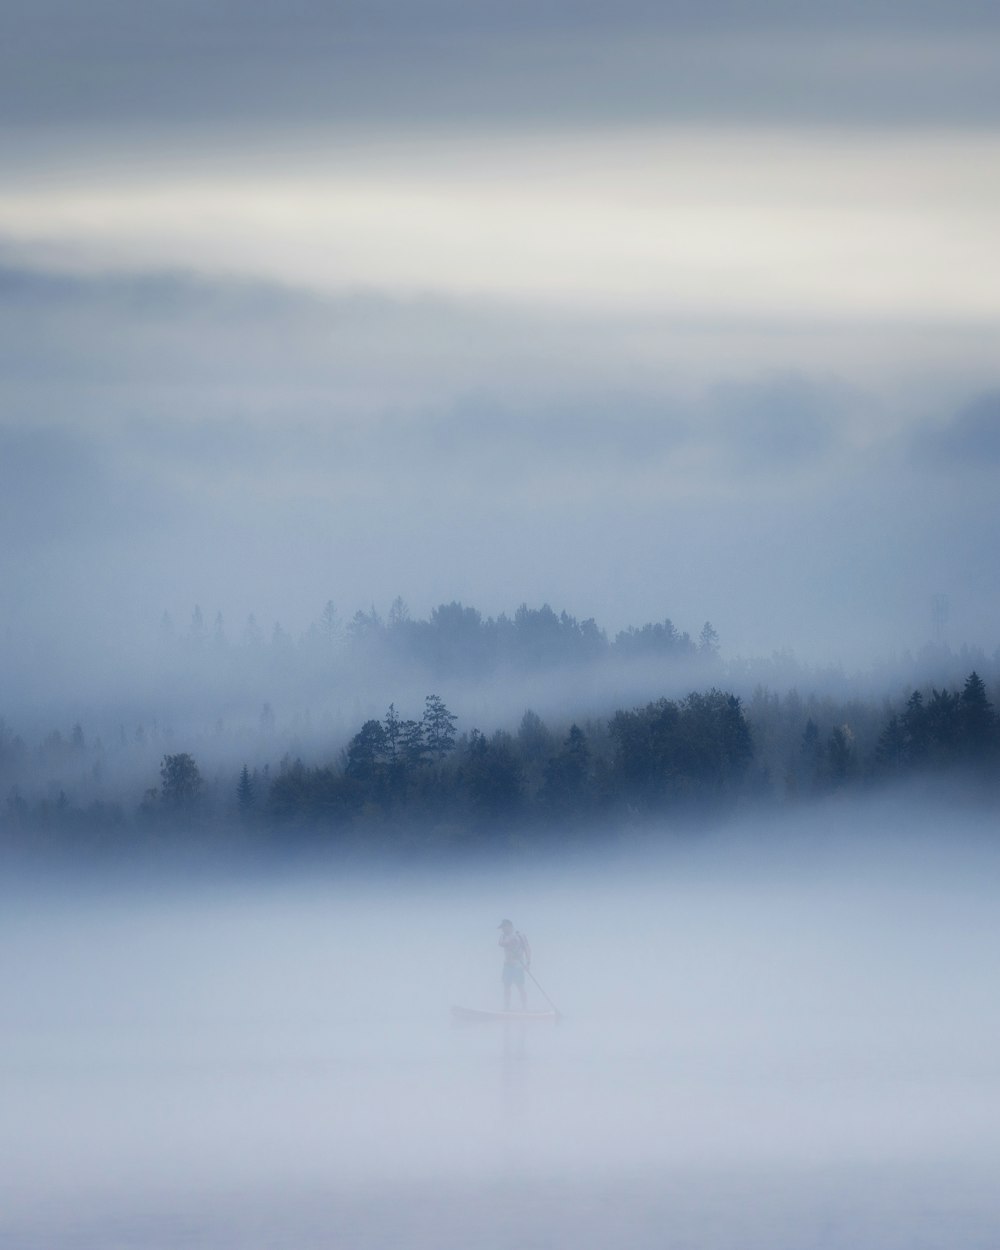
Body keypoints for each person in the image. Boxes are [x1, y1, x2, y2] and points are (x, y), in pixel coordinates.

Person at [497, 918, 531, 1011]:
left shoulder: (520, 936)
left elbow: (527, 949)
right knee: (506, 988)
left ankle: (525, 1008)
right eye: (502, 928)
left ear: (509, 926)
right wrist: (509, 942)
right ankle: (506, 1009)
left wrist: (528, 963)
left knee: (520, 987)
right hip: (507, 966)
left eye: (504, 927)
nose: (503, 930)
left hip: (518, 966)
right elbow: (500, 943)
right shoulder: (503, 936)